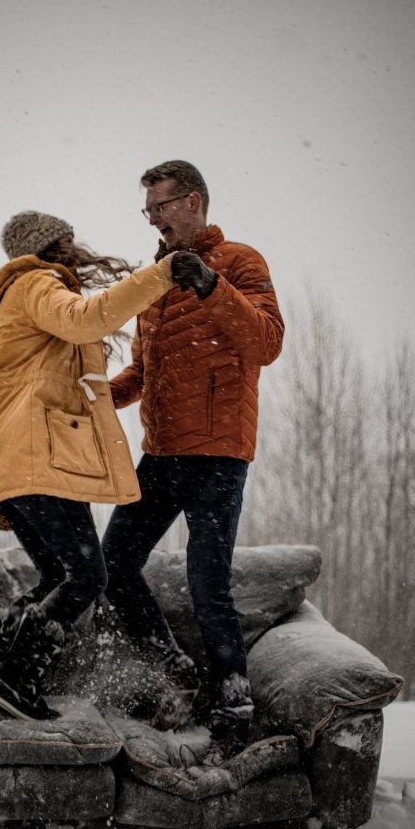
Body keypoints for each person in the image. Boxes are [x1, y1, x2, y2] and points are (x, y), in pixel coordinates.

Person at [0, 209, 180, 721]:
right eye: (68, 239)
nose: (78, 246)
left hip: (9, 461)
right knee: (88, 576)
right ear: (50, 246)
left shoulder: (15, 297)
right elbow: (87, 319)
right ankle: (15, 680)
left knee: (57, 573)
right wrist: (162, 275)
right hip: (33, 458)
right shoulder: (37, 283)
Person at [102, 160, 285, 743]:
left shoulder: (241, 261)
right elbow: (141, 371)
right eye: (147, 210)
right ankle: (176, 670)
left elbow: (266, 342)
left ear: (193, 202)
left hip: (217, 454)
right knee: (111, 567)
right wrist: (93, 397)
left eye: (161, 206)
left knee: (209, 584)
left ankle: (233, 708)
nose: (153, 220)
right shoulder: (152, 281)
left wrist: (210, 284)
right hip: (161, 455)